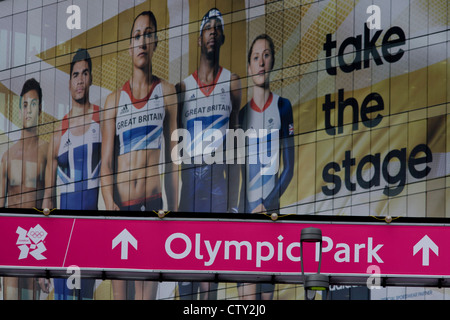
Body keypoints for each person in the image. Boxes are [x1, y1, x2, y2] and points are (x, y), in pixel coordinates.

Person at [101, 11, 178, 300]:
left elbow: (172, 161)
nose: (142, 40)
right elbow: (106, 163)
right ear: (129, 45)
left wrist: (175, 212)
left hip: (153, 206)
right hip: (121, 207)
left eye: (148, 34)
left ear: (156, 42)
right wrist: (110, 204)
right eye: (137, 36)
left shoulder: (167, 92)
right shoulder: (113, 101)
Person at [176, 8, 241, 300]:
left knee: (211, 273)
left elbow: (237, 147)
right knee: (186, 267)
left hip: (218, 181)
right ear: (199, 38)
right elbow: (175, 151)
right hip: (191, 181)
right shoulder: (183, 88)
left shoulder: (232, 81)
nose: (212, 32)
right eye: (207, 28)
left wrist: (235, 200)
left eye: (217, 27)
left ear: (223, 36)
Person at [238, 34, 295, 299]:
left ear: (272, 62)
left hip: (271, 217)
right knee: (246, 297)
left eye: (267, 55)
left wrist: (267, 204)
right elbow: (237, 173)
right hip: (246, 219)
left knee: (266, 295)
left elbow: (289, 168)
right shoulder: (240, 116)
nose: (261, 62)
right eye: (255, 57)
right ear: (249, 66)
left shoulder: (283, 107)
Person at [42, 48, 100, 299]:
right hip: (63, 233)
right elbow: (47, 199)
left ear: (90, 79)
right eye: (75, 74)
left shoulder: (102, 119)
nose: (80, 79)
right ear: (69, 83)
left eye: (85, 73)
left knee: (85, 295)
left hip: (90, 231)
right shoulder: (59, 133)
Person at [0, 78, 48, 299]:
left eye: (34, 104)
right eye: (25, 104)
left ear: (41, 109)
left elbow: (50, 208)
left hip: (34, 241)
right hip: (11, 240)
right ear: (20, 108)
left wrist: (46, 265)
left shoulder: (45, 152)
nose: (29, 110)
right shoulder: (7, 157)